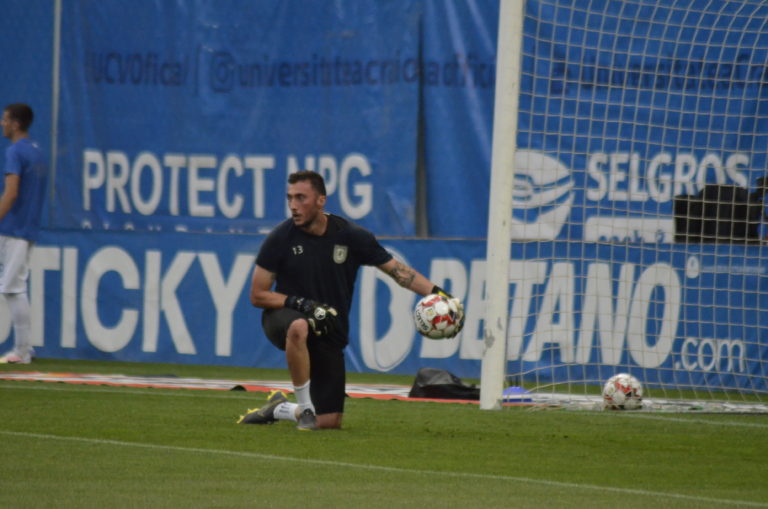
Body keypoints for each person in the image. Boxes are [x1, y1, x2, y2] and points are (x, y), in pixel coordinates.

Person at [239, 170, 463, 430]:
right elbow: (258, 294)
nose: (293, 206)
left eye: (301, 198)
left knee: (330, 422)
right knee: (299, 326)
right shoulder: (280, 238)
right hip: (284, 318)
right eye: (290, 198)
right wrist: (302, 304)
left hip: (329, 332)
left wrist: (440, 295)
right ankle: (307, 409)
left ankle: (282, 408)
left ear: (321, 200)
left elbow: (399, 273)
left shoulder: (351, 236)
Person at [0, 104, 48, 365]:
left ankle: (22, 350)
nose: (2, 123)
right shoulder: (38, 153)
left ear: (16, 124)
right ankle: (24, 348)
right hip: (26, 227)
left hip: (13, 229)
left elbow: (12, 192)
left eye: (5, 119)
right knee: (14, 286)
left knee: (12, 288)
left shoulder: (15, 152)